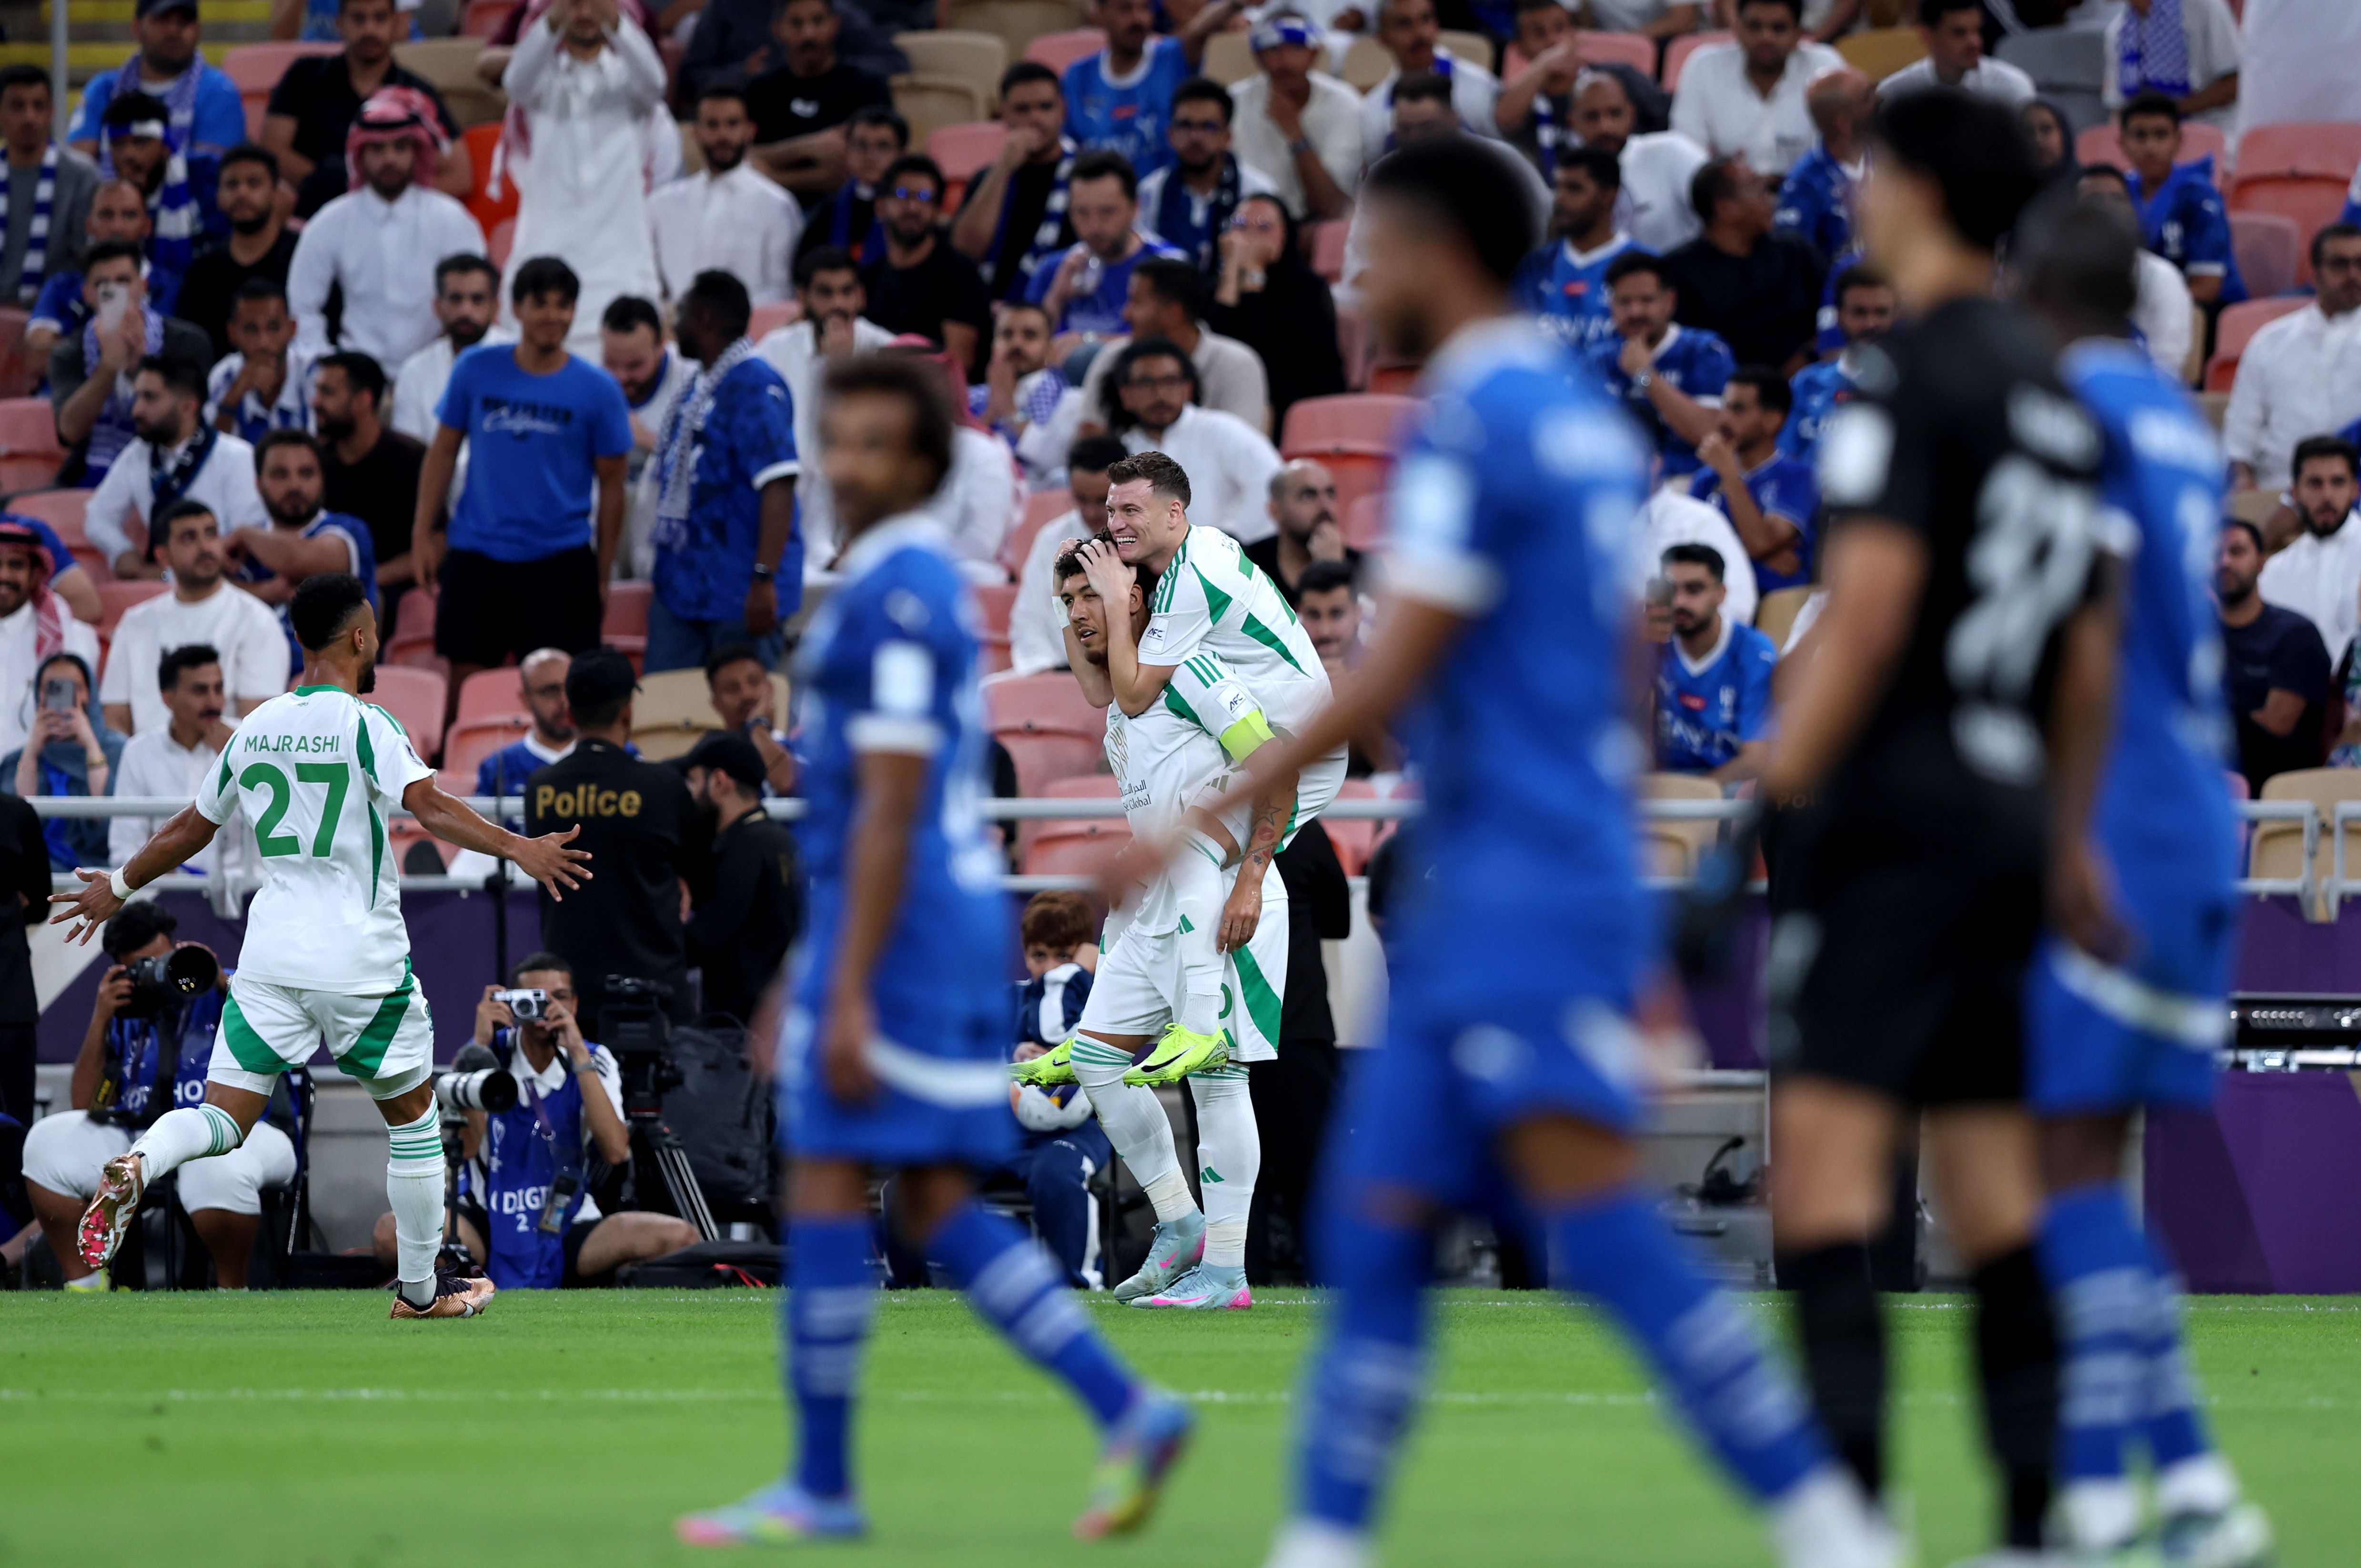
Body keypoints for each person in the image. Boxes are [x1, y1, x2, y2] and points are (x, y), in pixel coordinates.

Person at [1208, 133, 1892, 1568]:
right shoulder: (1574, 417)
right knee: (1379, 1214)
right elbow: (1610, 670)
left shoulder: (1478, 406)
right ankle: (1322, 1535)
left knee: (1594, 1220)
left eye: (1373, 245)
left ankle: (1827, 1517)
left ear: (1440, 248)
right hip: (1515, 868)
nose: (1353, 274)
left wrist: (1195, 809)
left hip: (1516, 876)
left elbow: (1395, 665)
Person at [675, 355, 1195, 1545]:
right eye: (836, 440)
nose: (850, 464)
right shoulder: (885, 582)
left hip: (905, 930)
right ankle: (1128, 1405)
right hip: (924, 922)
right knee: (931, 1195)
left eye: (876, 444)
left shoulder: (897, 587)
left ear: (923, 466)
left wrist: (837, 979)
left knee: (823, 1172)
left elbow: (900, 793)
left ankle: (823, 1480)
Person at [1747, 88, 2116, 1561]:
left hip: (1890, 822)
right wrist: (2068, 831)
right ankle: (2032, 1517)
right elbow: (2085, 652)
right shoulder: (2054, 391)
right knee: (1987, 1178)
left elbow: (1868, 613)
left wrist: (1757, 812)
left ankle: (1848, 1512)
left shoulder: (1899, 381)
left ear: (1916, 192)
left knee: (1824, 1174)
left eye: (1871, 167)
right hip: (2006, 821)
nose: (1854, 188)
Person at [58, 571, 592, 1317]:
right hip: (360, 959)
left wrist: (115, 886)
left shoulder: (257, 725)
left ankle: (142, 1160)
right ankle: (419, 1291)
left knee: (223, 1119)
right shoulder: (368, 724)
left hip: (272, 958)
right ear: (362, 637)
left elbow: (190, 828)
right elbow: (429, 806)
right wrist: (520, 849)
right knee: (412, 1122)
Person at [2017, 192, 2275, 1568]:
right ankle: (2139, 1495)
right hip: (2186, 812)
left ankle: (2145, 1493)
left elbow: (2092, 624)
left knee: (2056, 1163)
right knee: (2072, 1168)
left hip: (2116, 816)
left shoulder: (2084, 419)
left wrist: (2058, 836)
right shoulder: (2173, 422)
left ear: (2042, 294)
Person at [1014, 544, 1287, 1308]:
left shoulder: (1190, 671)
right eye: (1066, 601)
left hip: (1228, 892)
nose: (1077, 613)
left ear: (1134, 600)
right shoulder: (1120, 713)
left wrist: (1255, 880)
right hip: (1157, 904)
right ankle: (1179, 1224)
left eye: (1090, 597)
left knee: (1217, 1078)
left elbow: (1276, 766)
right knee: (1099, 1061)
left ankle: (1228, 1272)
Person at [22, 904, 297, 1289]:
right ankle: (86, 1288)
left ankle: (232, 1292)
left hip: (244, 1129)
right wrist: (101, 1019)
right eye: (141, 968)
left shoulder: (226, 986)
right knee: (46, 1143)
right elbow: (88, 1104)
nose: (157, 975)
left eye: (162, 960)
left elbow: (284, 1023)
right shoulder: (125, 1009)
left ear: (177, 947)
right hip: (141, 1135)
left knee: (213, 1164)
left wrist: (216, 979)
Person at [400, 953, 698, 1288]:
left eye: (559, 997)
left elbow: (616, 1152)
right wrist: (479, 1045)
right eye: (535, 999)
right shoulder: (485, 1053)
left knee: (680, 1236)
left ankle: (561, 1277)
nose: (547, 1008)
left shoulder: (594, 1058)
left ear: (574, 1003)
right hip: (486, 1219)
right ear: (512, 1004)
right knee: (390, 1233)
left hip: (566, 1219)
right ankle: (476, 1273)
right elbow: (466, 1148)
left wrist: (578, 1052)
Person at [416, 257, 634, 711]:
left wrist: (603, 571)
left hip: (561, 562)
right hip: (477, 556)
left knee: (566, 701)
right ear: (515, 308)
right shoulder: (475, 368)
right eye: (540, 304)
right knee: (467, 690)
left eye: (563, 305)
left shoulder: (599, 389)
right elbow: (442, 452)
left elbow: (613, 487)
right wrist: (421, 533)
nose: (552, 316)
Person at [523, 647, 708, 1030]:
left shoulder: (540, 788)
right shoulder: (663, 786)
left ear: (571, 713)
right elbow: (702, 872)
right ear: (628, 711)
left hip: (572, 994)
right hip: (655, 993)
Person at [649, 270, 801, 673]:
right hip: (683, 586)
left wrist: (763, 578)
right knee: (668, 719)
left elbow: (779, 483)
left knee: (743, 721)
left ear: (705, 320)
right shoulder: (698, 384)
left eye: (681, 314)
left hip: (738, 591)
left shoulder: (756, 386)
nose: (674, 325)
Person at [502, 0, 668, 359]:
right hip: (548, 248)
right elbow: (515, 82)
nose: (585, 12)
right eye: (575, 3)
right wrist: (553, 20)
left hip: (620, 258)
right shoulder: (541, 84)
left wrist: (615, 21)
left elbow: (656, 82)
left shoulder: (629, 84)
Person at [285, 88, 486, 371]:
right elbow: (303, 306)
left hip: (437, 369)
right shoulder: (331, 221)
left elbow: (478, 298)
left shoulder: (452, 219)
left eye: (400, 148)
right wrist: (327, 364)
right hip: (356, 374)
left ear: (416, 153)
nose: (389, 159)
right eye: (378, 149)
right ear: (361, 154)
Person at [261, 0, 470, 219]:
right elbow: (272, 149)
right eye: (358, 19)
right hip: (314, 215)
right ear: (339, 24)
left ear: (396, 23)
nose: (369, 29)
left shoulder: (418, 93)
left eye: (379, 18)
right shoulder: (303, 75)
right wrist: (329, 183)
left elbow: (460, 175)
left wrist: (390, 194)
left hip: (396, 220)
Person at [98, 502, 290, 735]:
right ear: (162, 556)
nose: (204, 547)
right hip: (145, 765)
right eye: (189, 538)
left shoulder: (257, 620)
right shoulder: (134, 624)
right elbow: (116, 720)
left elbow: (256, 729)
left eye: (211, 534)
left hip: (223, 765)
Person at [757, 246, 896, 564]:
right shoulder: (775, 351)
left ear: (861, 296)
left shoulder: (886, 352)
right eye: (826, 293)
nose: (838, 304)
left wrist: (844, 368)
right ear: (803, 298)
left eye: (847, 292)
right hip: (790, 503)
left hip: (864, 503)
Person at [1005, 891, 1113, 1290]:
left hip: (1077, 1132)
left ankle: (1078, 1286)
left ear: (1085, 955)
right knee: (925, 1172)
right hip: (1006, 1130)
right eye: (1039, 956)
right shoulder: (1009, 998)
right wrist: (1011, 1055)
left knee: (1058, 1173)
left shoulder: (1106, 1004)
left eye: (1064, 958)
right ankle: (905, 1286)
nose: (1050, 968)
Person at [66, 0, 245, 234]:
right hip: (110, 223)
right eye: (162, 21)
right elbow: (80, 170)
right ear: (137, 27)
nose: (174, 30)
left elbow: (210, 181)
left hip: (192, 226)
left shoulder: (220, 91)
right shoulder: (103, 88)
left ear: (198, 30)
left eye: (184, 22)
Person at [84, 356, 268, 582]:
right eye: (137, 397)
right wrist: (121, 551)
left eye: (149, 398)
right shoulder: (139, 453)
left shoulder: (236, 457)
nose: (137, 410)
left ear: (187, 407)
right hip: (158, 587)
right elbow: (97, 516)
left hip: (221, 587)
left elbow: (241, 546)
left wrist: (160, 575)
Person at [47, 241, 212, 491]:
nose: (114, 292)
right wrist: (109, 366)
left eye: (124, 281)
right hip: (88, 474)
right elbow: (70, 432)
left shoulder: (188, 343)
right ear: (88, 294)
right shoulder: (69, 353)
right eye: (103, 285)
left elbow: (189, 422)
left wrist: (140, 367)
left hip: (174, 471)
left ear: (142, 287)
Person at [1098, 340, 1284, 543]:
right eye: (1146, 384)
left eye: (1170, 382)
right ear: (1126, 396)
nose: (1160, 394)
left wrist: (1227, 540)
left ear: (1187, 388)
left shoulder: (1223, 430)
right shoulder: (1123, 451)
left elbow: (1272, 486)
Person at [2225, 224, 2361, 493]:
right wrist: (2244, 488)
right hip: (2274, 492)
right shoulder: (2271, 341)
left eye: (2360, 263)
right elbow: (2239, 439)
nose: (2353, 274)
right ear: (2315, 273)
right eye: (2339, 265)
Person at [236, 429, 381, 673]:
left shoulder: (348, 531)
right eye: (280, 474)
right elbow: (207, 593)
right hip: (252, 681)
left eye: (306, 473)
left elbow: (298, 559)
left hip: (331, 687)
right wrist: (264, 591)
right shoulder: (247, 544)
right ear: (258, 483)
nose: (295, 485)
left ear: (322, 478)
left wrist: (244, 534)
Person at [1665, 158, 1828, 373]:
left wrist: (1808, 356)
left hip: (1810, 382)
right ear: (1726, 209)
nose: (1770, 200)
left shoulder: (1795, 251)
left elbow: (1835, 309)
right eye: (1758, 191)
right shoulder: (1678, 271)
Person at [679, 731, 800, 1023]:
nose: (689, 794)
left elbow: (712, 933)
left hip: (739, 1025)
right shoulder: (779, 838)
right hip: (770, 1013)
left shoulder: (741, 847)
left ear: (719, 782)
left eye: (693, 781)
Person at [1076, 256, 1270, 433]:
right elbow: (1090, 441)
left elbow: (1241, 454)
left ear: (1173, 313)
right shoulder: (1113, 357)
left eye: (1136, 302)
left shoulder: (1237, 365)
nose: (1125, 314)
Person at [1586, 250, 1732, 484]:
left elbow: (1710, 434)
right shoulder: (1597, 361)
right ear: (1611, 305)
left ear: (1669, 301)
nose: (1636, 312)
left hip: (1692, 482)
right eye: (1625, 302)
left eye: (1646, 300)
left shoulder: (1704, 351)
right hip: (1618, 484)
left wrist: (1645, 376)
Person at [651, 83, 803, 308]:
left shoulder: (777, 206)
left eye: (732, 124)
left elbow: (781, 290)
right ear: (696, 133)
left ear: (750, 131)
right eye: (713, 125)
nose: (723, 135)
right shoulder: (662, 204)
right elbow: (650, 281)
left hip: (753, 333)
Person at [1205, 194, 1345, 430]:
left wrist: (1254, 277)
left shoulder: (1307, 290)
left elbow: (1262, 354)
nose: (1249, 238)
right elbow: (1216, 349)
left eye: (1264, 228)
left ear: (1285, 236)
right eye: (1240, 226)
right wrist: (1231, 274)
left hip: (1292, 398)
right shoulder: (1212, 287)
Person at [1669, 0, 1845, 179]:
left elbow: (1842, 151)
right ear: (1737, 28)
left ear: (1798, 34)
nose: (1765, 37)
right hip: (1727, 199)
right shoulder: (1705, 67)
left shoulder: (1824, 67)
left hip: (1808, 195)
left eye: (1779, 28)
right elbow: (1687, 155)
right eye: (1754, 26)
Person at [948, 64, 1076, 303]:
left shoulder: (1086, 174)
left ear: (1063, 111)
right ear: (1003, 115)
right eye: (1022, 109)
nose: (1035, 118)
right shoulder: (988, 178)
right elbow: (964, 254)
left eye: (1045, 107)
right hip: (994, 310)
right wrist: (1003, 169)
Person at [1648, 542, 1776, 783]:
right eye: (1671, 591)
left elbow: (1756, 760)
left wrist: (1692, 798)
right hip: (1659, 787)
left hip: (1727, 791)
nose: (1680, 603)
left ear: (1721, 594)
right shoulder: (1650, 645)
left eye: (1694, 590)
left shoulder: (1755, 654)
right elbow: (1628, 744)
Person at [2217, 518, 2328, 794]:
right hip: (2205, 782)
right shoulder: (2196, 636)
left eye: (2237, 552)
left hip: (2281, 790)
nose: (2224, 563)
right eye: (2214, 554)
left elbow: (2276, 726)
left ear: (2262, 561)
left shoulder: (2296, 634)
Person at [312, 351, 425, 618]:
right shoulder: (315, 462)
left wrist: (368, 579)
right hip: (324, 590)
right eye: (318, 392)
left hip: (397, 593)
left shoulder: (412, 459)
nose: (316, 402)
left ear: (363, 400)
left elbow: (436, 543)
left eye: (328, 393)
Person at [107, 643, 238, 874]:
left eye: (218, 689)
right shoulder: (139, 751)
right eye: (201, 691)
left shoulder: (246, 741)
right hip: (163, 887)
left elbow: (270, 829)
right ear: (169, 699)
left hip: (237, 890)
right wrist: (159, 869)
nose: (214, 703)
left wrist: (235, 760)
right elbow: (124, 844)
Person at [1026, 151, 1185, 340]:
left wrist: (1090, 345)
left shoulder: (1169, 266)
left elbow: (1182, 344)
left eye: (1107, 212)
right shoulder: (1052, 270)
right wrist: (1056, 297)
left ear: (1135, 207)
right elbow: (1028, 352)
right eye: (1082, 212)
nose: (1094, 226)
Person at [744, 0, 893, 200]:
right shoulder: (759, 90)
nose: (809, 34)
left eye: (818, 21)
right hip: (766, 207)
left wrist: (773, 175)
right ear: (777, 30)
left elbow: (857, 172)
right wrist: (809, 147)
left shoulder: (868, 87)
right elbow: (741, 161)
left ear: (835, 25)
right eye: (797, 24)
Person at [1689, 365, 1818, 593]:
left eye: (1738, 409)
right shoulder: (1706, 479)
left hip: (1776, 603)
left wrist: (1729, 474)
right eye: (1724, 407)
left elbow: (1759, 544)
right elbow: (1690, 551)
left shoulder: (1798, 476)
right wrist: (1761, 552)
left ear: (1772, 421)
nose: (1724, 418)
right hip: (1716, 598)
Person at [1513, 143, 1649, 355]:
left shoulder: (1647, 267)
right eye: (1558, 187)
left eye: (1574, 188)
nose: (1560, 199)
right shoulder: (1533, 268)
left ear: (1609, 196)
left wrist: (1644, 379)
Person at [859, 155, 990, 369]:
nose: (912, 207)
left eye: (924, 197)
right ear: (880, 207)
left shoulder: (959, 274)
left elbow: (958, 364)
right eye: (902, 195)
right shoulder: (868, 277)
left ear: (938, 210)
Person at [1137, 78, 1279, 277]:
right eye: (1185, 126)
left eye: (1208, 127)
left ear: (1227, 137)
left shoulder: (1258, 192)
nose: (1195, 137)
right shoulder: (1150, 192)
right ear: (1170, 135)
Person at [1227, 13, 1359, 223]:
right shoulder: (1234, 102)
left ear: (1314, 54)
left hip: (1316, 224)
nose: (1285, 61)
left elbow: (1331, 206)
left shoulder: (1344, 102)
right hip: (1249, 221)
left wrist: (1295, 133)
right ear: (1258, 57)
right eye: (1273, 50)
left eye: (1296, 48)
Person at [2118, 92, 2245, 308]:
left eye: (2161, 135)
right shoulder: (2118, 192)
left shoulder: (2201, 197)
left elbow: (2207, 287)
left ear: (2179, 140)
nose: (2150, 147)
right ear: (2122, 142)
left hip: (2206, 314)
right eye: (2140, 136)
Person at [602, 294, 697, 580]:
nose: (621, 377)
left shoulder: (691, 380)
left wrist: (646, 439)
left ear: (661, 347)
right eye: (612, 364)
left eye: (634, 366)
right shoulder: (593, 383)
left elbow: (703, 464)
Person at [172, 144, 298, 361]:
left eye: (254, 183)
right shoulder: (201, 273)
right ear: (219, 197)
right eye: (232, 184)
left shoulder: (302, 258)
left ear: (276, 193)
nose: (242, 192)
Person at [1010, 435, 1122, 677]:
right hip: (1057, 672)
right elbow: (1028, 620)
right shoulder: (1051, 538)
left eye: (1101, 501)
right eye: (1082, 500)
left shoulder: (1142, 540)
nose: (1091, 512)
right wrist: (1044, 669)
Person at [25, 178, 163, 369]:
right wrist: (104, 348)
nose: (117, 227)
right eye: (107, 215)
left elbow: (175, 351)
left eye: (129, 215)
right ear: (89, 225)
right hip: (69, 392)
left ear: (147, 225)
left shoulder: (171, 287)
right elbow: (38, 356)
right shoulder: (61, 286)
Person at [2075, 162, 2196, 381]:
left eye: (2118, 199)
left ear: (2132, 210)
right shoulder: (2058, 279)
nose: (2108, 208)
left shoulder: (2162, 276)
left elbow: (2168, 367)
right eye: (2095, 200)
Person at [3, 652, 123, 870]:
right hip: (32, 870)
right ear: (39, 695)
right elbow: (16, 825)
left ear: (89, 693)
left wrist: (90, 743)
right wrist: (32, 751)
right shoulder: (17, 760)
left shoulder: (118, 751)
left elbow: (111, 824)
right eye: (51, 688)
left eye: (74, 688)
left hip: (97, 871)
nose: (62, 696)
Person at [1572, 68, 1708, 254]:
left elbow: (1723, 210)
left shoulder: (1672, 151)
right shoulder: (1565, 176)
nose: (1605, 127)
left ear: (1631, 114)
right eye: (1592, 117)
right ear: (1572, 122)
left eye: (1615, 113)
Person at [1062, 0, 1203, 178]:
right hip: (1100, 200)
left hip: (1165, 199)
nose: (1138, 19)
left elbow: (1201, 31)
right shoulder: (1078, 77)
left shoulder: (1172, 58)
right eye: (1125, 9)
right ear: (1099, 14)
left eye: (1145, 8)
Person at [0, 522, 103, 763]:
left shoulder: (63, 630)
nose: (3, 575)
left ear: (36, 574)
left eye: (15, 565)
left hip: (38, 772)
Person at [2257, 434, 2361, 673]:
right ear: (2295, 493)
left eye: (2338, 482)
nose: (2327, 496)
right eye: (2315, 484)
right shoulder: (2274, 572)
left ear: (2355, 489)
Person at [0, 66, 101, 311]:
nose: (29, 117)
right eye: (17, 106)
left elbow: (86, 262)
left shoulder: (83, 175)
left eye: (39, 106)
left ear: (52, 112)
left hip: (56, 314)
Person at [1356, 0, 1501, 165]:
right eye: (1404, 24)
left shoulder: (1480, 86)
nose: (1420, 33)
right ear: (1383, 38)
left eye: (1426, 19)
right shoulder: (1372, 110)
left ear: (1437, 24)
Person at [390, 253, 503, 451]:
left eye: (477, 300)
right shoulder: (415, 370)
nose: (466, 311)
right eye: (456, 299)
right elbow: (409, 453)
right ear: (437, 306)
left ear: (495, 307)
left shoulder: (519, 360)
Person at [1783, 263, 1890, 464]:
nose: (1871, 324)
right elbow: (1786, 460)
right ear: (1839, 316)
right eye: (1859, 312)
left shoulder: (1915, 386)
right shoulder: (1806, 384)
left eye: (1881, 313)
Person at [2103, 0, 2243, 134]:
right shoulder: (2118, 30)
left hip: (2213, 138)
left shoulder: (2204, 5)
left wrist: (2164, 112)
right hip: (2144, 149)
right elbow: (2119, 107)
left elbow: (2234, 83)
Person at [1776, 67, 1869, 264]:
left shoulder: (1894, 162)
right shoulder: (1804, 185)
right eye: (1867, 99)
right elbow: (1798, 265)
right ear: (1845, 123)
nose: (1880, 100)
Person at [205, 279, 313, 446]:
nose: (263, 342)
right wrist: (234, 395)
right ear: (232, 333)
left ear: (292, 329)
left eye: (273, 328)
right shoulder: (224, 375)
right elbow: (212, 458)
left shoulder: (314, 373)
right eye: (251, 329)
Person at [799, 104, 903, 271]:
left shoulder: (911, 211)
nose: (871, 156)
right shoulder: (828, 209)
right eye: (861, 145)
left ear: (901, 153)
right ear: (847, 150)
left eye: (883, 147)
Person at [971, 301, 1068, 475]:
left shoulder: (1068, 401)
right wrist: (991, 413)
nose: (1016, 343)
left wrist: (1010, 411)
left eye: (1029, 335)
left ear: (1050, 349)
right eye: (1007, 335)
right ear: (993, 345)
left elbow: (1056, 462)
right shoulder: (969, 398)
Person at [1245, 459, 1360, 606]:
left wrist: (1332, 570)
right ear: (1276, 511)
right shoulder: (1249, 565)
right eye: (1308, 496)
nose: (1325, 506)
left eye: (1330, 494)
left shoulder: (1364, 570)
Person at [1877, 0, 2035, 104]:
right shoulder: (1896, 93)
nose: (1975, 42)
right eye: (1959, 33)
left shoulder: (2012, 88)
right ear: (1927, 36)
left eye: (1977, 30)